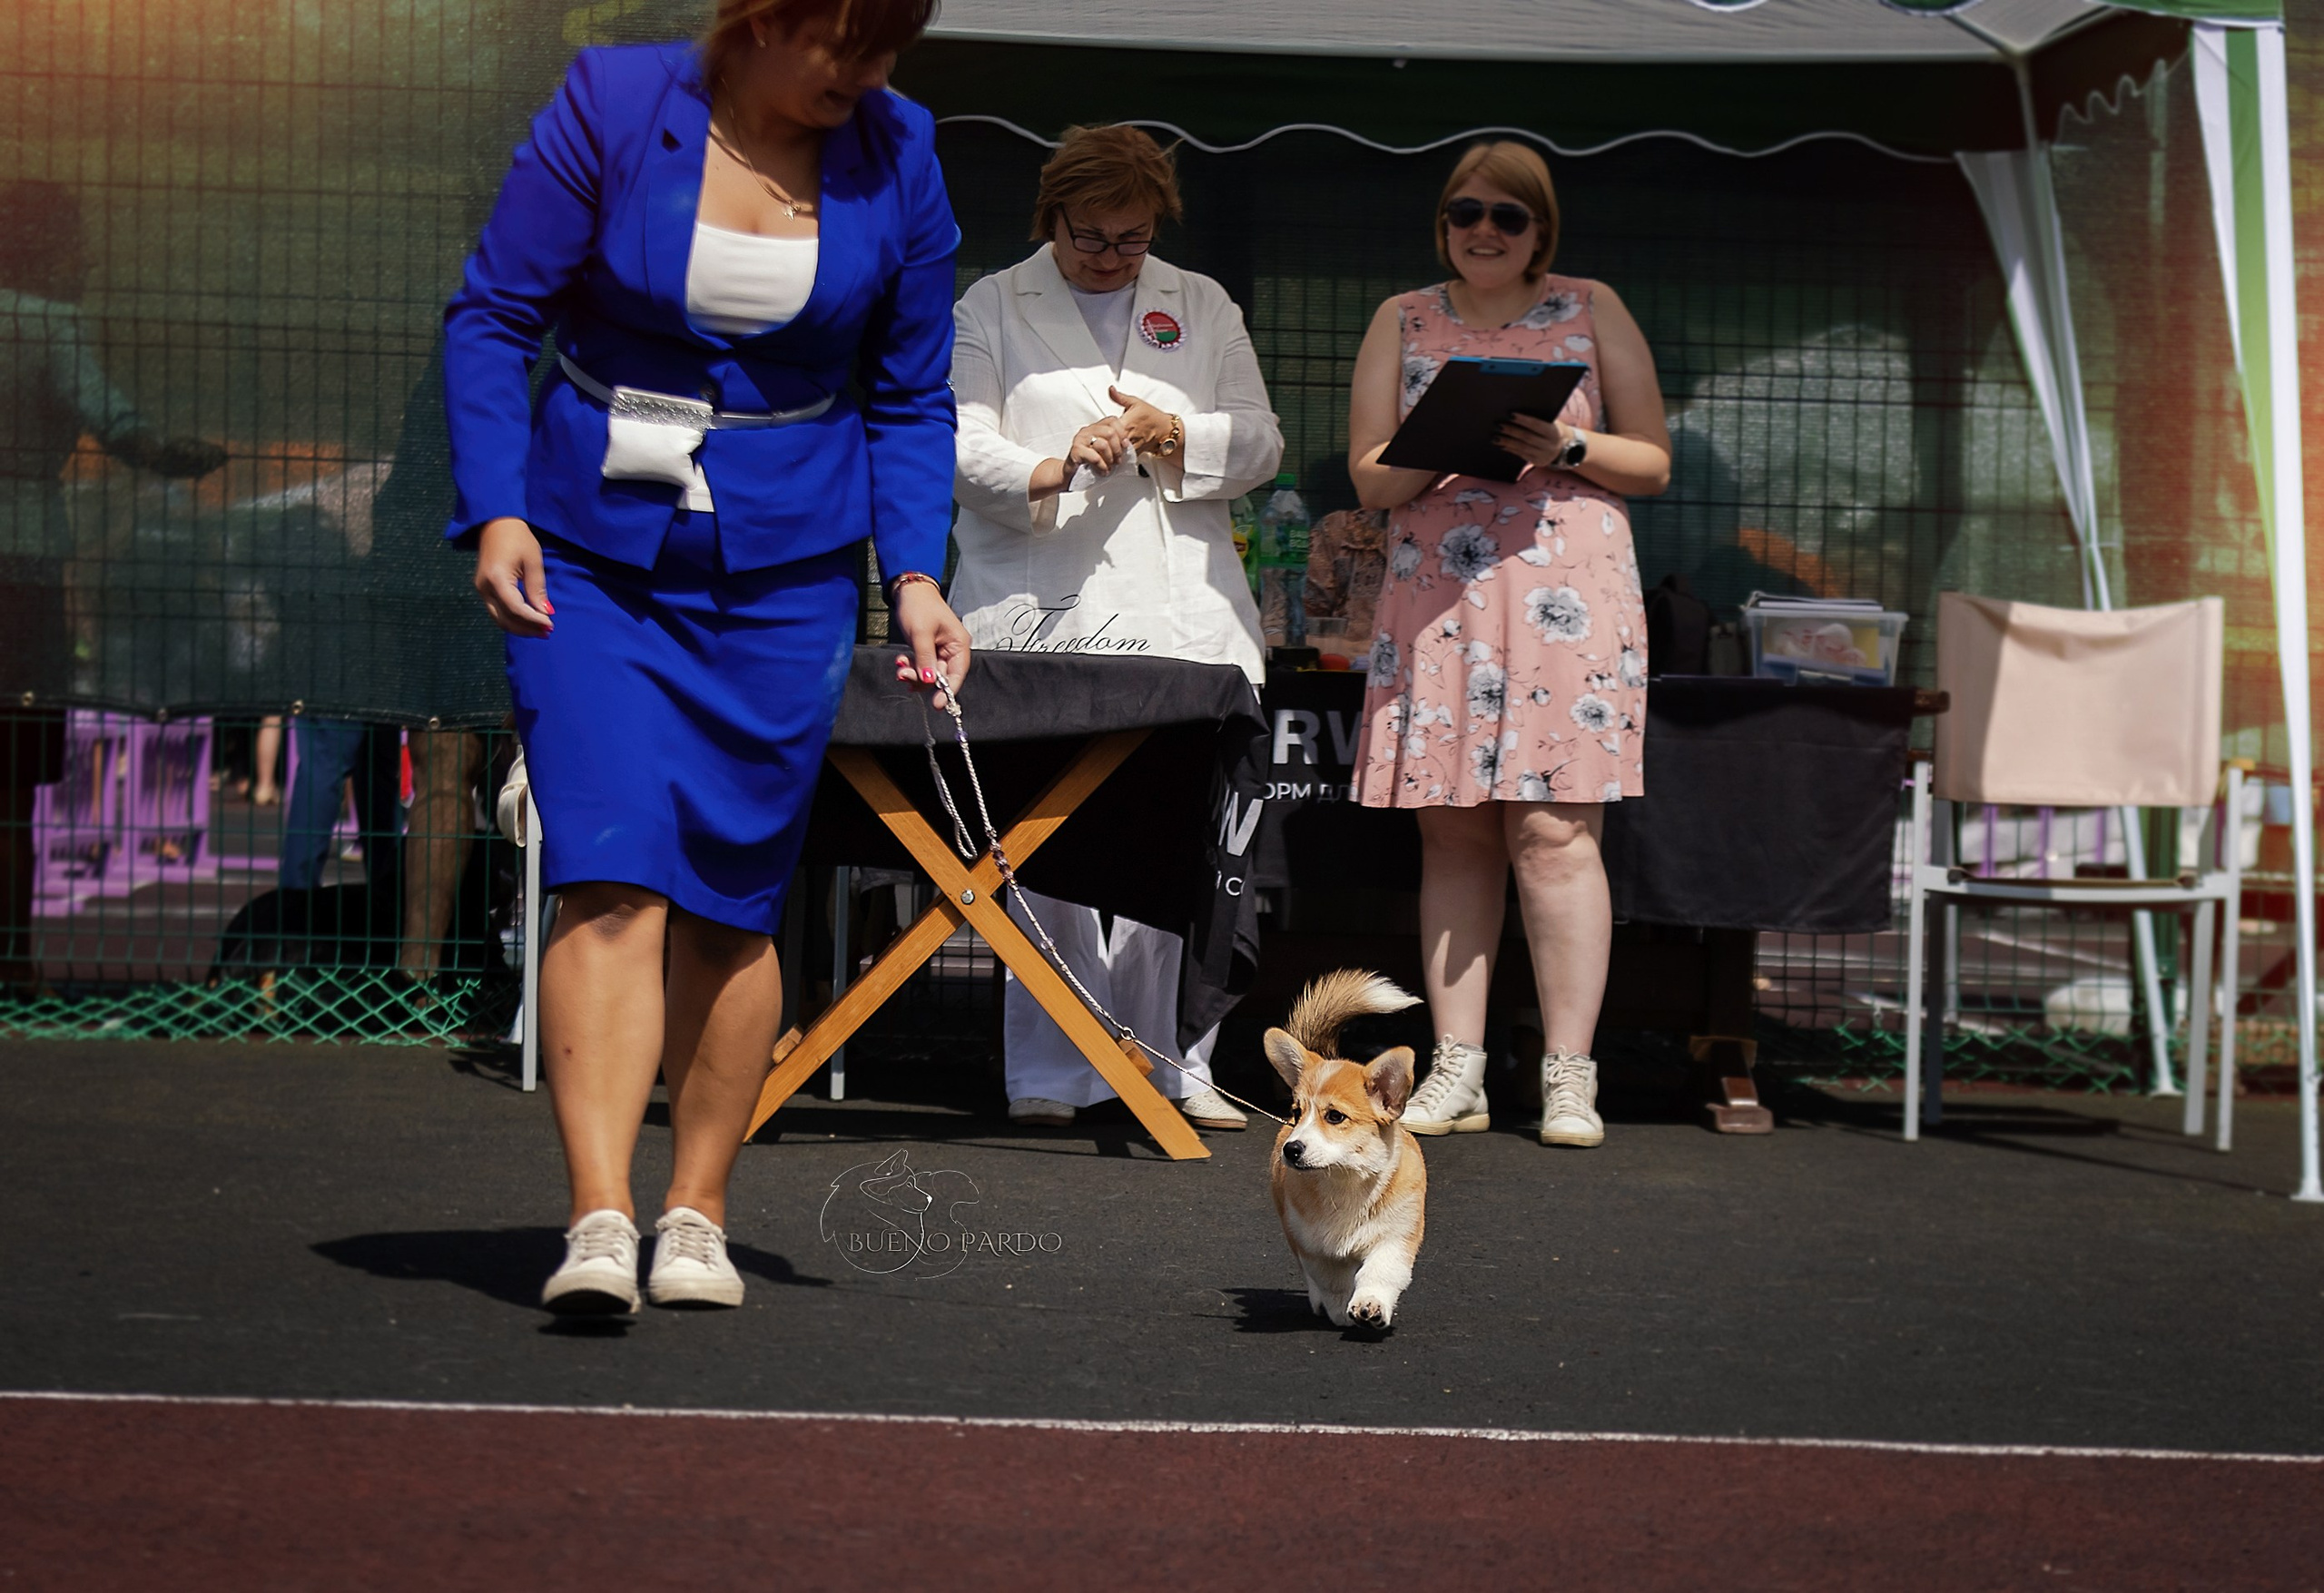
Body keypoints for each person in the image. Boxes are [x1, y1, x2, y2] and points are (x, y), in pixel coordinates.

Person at [444, 0, 969, 1313]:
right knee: (611, 871)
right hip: (591, 557)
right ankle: (600, 1217)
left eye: (893, 46)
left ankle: (699, 1213)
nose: (873, 72)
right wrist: (498, 503)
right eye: (849, 42)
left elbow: (910, 392)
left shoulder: (901, 149)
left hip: (788, 573)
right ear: (762, 19)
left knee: (735, 900)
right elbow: (493, 316)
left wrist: (913, 573)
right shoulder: (613, 104)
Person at [949, 124, 1284, 1133]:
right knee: (1044, 840)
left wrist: (1175, 433)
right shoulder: (991, 304)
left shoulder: (1202, 302)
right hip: (1040, 601)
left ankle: (1171, 1061)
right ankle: (1052, 1069)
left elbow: (1260, 441)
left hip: (1182, 607)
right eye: (1091, 237)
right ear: (1051, 219)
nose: (1110, 256)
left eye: (1131, 239)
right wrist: (1055, 464)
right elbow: (954, 441)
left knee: (1171, 842)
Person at [1347, 142, 1671, 1148]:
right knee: (1451, 827)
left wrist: (1566, 445)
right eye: (1463, 213)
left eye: (1508, 216)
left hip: (1564, 593)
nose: (1483, 231)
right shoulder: (1400, 318)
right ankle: (1459, 1068)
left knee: (1553, 831)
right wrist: (1440, 441)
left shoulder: (1590, 304)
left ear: (1542, 230)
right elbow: (1368, 479)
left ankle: (1568, 1074)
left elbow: (1652, 459)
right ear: (1440, 224)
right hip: (1439, 592)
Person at [0, 180, 226, 990]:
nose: (88, 258)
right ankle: (15, 955)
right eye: (74, 242)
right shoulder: (47, 323)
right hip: (19, 565)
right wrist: (172, 453)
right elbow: (114, 419)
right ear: (42, 250)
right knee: (14, 769)